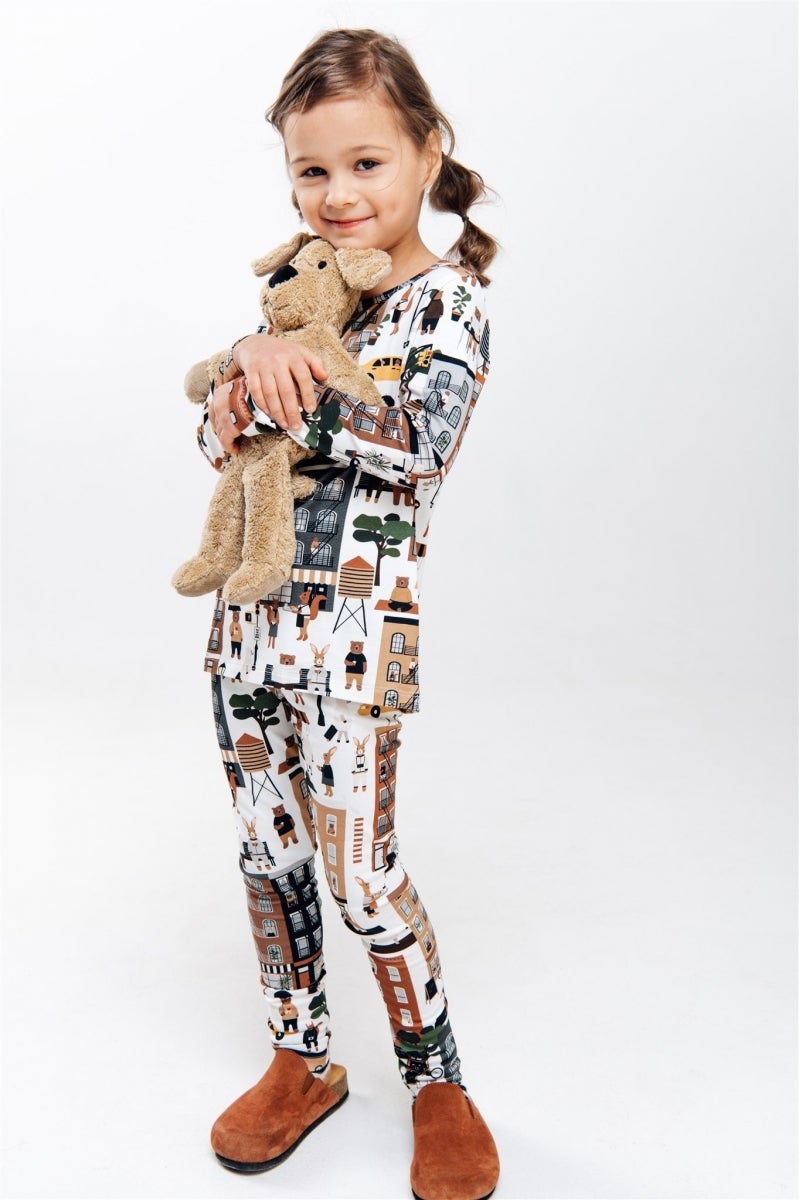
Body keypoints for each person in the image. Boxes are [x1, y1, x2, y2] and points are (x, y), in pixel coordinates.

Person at [191, 27, 500, 1200]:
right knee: (267, 853)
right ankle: (302, 1057)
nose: (337, 192)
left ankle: (436, 1080)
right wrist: (245, 362)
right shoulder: (290, 299)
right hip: (247, 630)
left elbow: (415, 448)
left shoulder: (446, 305)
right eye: (311, 170)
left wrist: (287, 380)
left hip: (358, 642)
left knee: (360, 875)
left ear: (426, 152)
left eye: (365, 163)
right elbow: (218, 436)